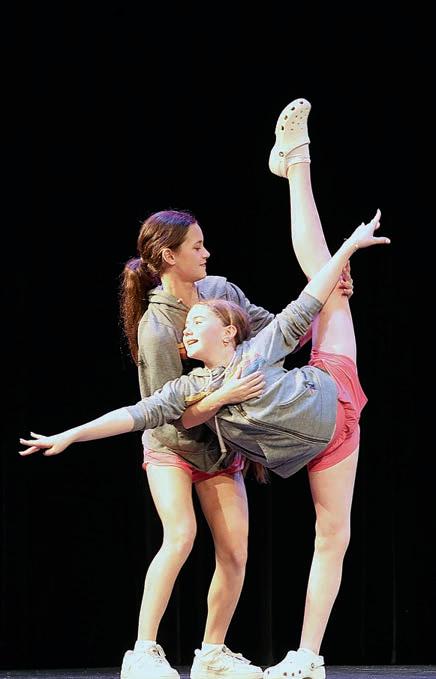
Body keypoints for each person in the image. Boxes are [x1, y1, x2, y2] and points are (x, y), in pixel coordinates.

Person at [18, 99, 374, 679]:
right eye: (196, 247)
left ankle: (295, 161)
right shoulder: (163, 334)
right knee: (188, 535)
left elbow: (293, 313)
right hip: (192, 445)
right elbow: (154, 413)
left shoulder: (235, 317)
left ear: (226, 327)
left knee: (326, 287)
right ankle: (154, 650)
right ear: (168, 257)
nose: (207, 254)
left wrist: (341, 268)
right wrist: (73, 434)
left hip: (325, 387)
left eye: (201, 325)